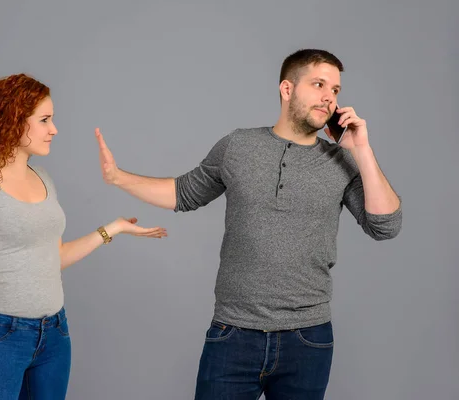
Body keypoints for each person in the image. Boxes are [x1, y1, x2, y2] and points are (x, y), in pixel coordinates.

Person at [95, 49, 402, 399]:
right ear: (287, 89)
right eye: (318, 85)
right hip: (233, 333)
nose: (329, 98)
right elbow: (184, 193)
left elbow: (385, 225)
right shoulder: (238, 146)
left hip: (308, 337)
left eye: (335, 90)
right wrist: (118, 178)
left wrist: (361, 149)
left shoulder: (341, 160)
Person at [0, 73, 167, 400]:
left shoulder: (43, 178)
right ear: (13, 121)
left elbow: (52, 258)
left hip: (55, 334)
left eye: (52, 119)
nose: (53, 129)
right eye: (44, 120)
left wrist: (112, 228)